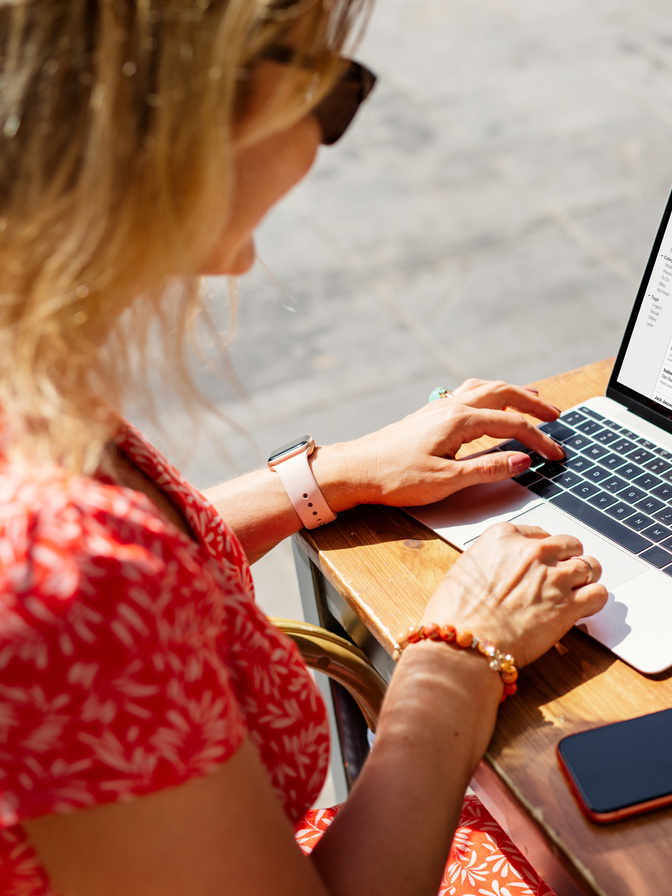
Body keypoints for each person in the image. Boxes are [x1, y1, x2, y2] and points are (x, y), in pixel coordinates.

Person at [0, 2, 607, 894]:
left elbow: (130, 596)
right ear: (183, 105)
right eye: (328, 85)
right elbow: (88, 596)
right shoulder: (64, 572)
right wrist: (456, 655)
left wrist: (323, 479)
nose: (329, 131)